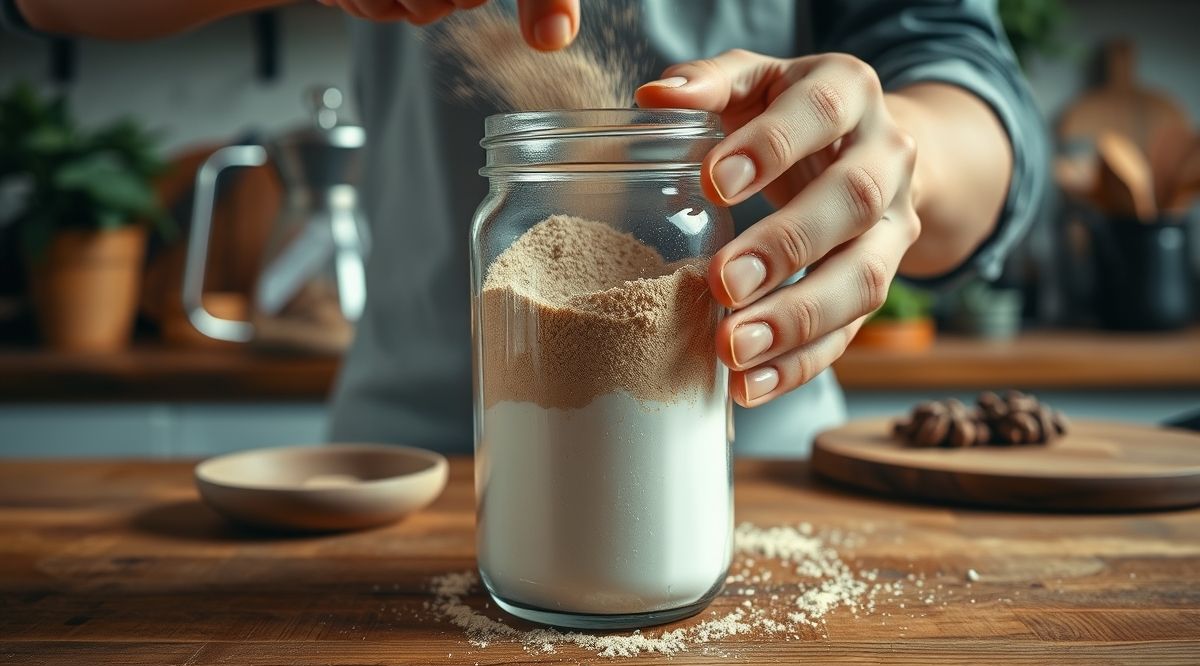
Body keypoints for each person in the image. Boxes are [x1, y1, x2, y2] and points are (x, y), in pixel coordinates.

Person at [4, 0, 1045, 455]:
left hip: (754, 458)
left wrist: (889, 148)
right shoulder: (516, 217)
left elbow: (959, 69)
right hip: (403, 468)